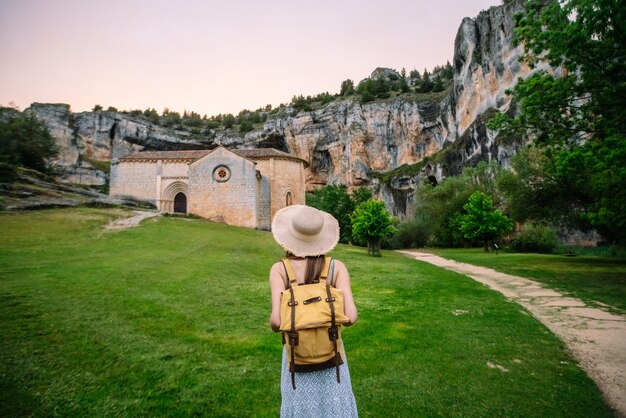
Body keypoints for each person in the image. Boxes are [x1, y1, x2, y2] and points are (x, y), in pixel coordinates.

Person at [269, 205, 359, 417]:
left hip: (297, 356)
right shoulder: (337, 268)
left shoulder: (280, 270)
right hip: (332, 357)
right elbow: (351, 317)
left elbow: (275, 321)